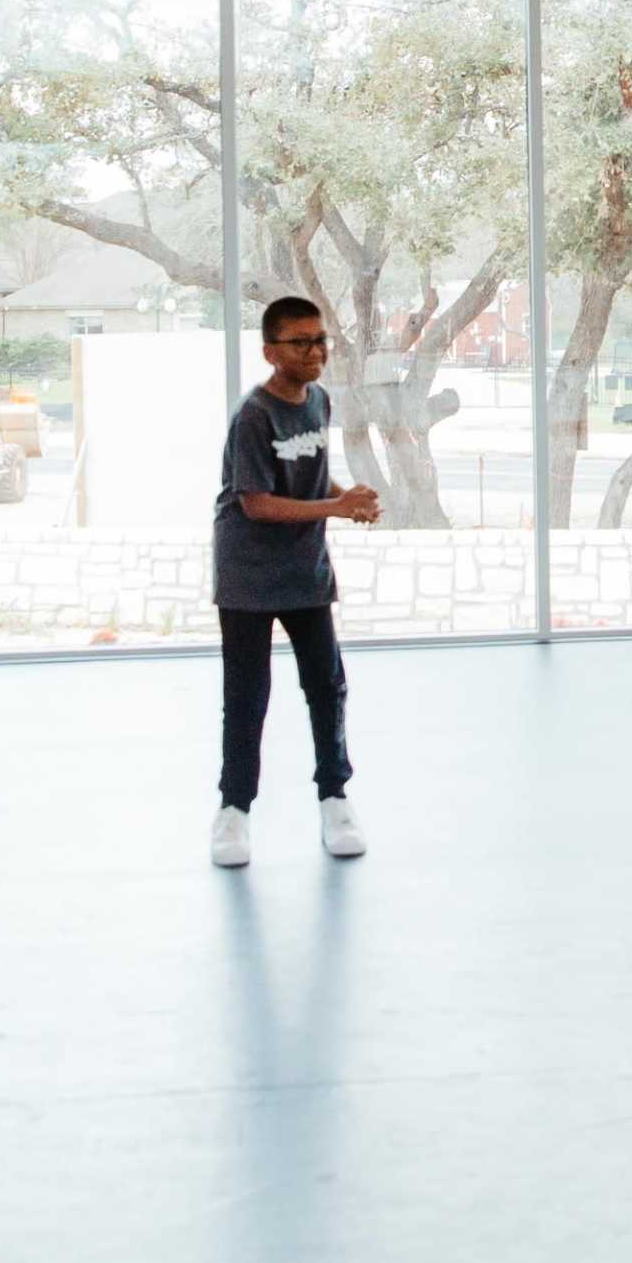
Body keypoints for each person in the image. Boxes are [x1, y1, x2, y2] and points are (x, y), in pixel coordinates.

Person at [210, 295, 377, 868]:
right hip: (249, 575)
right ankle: (234, 812)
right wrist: (335, 508)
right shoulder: (253, 415)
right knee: (248, 695)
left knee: (326, 685)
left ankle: (335, 798)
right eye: (300, 342)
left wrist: (346, 498)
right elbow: (256, 503)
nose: (315, 351)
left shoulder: (320, 402)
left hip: (306, 570)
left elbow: (308, 474)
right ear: (270, 352)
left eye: (321, 340)